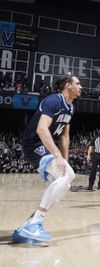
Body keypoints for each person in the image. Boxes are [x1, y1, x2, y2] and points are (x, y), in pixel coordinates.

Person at [12, 75, 82, 243]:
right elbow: (42, 129)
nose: (81, 87)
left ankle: (27, 226)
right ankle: (35, 222)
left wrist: (64, 161)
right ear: (68, 85)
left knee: (65, 182)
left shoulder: (70, 107)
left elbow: (65, 137)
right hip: (33, 144)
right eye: (78, 83)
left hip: (46, 147)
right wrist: (57, 156)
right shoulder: (54, 100)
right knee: (66, 176)